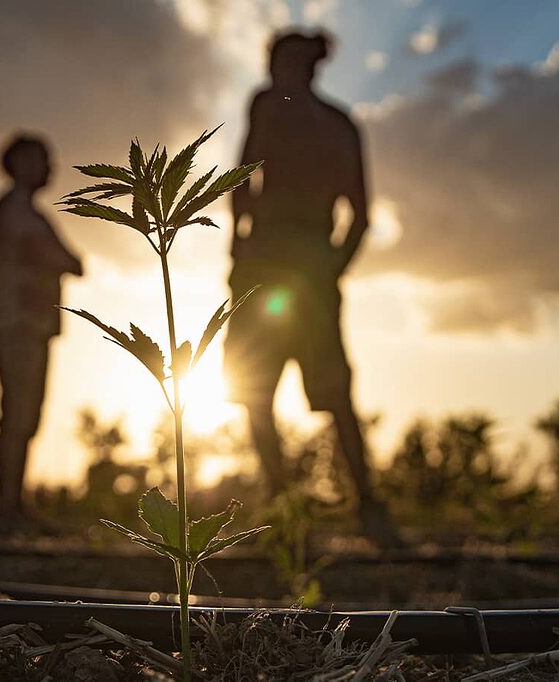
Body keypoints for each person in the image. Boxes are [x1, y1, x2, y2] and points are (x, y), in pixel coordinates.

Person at [223, 31, 398, 545]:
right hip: (297, 266)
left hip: (282, 264)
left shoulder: (275, 107)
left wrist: (244, 248)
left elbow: (241, 178)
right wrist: (327, 268)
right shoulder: (338, 123)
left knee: (272, 388)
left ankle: (305, 506)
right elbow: (359, 217)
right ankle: (320, 506)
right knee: (294, 390)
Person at [0, 134, 83, 520]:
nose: (50, 167)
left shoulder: (29, 213)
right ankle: (8, 503)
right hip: (19, 325)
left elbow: (72, 262)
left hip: (31, 325)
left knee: (25, 414)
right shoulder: (16, 210)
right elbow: (63, 259)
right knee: (18, 412)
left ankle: (13, 500)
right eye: (42, 159)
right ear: (20, 163)